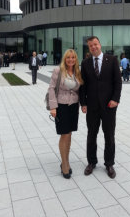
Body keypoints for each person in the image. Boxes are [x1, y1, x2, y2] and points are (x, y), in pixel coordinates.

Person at [80, 36, 122, 179]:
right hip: (91, 107)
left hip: (109, 106)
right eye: (90, 46)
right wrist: (83, 103)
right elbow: (83, 85)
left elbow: (118, 82)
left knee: (109, 135)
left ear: (100, 44)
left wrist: (115, 100)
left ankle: (109, 164)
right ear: (89, 48)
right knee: (91, 135)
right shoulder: (85, 63)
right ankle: (91, 162)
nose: (93, 47)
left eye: (95, 44)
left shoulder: (112, 60)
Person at [48, 49, 83, 179]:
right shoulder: (58, 70)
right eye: (68, 57)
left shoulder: (77, 71)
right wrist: (53, 107)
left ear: (76, 59)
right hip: (61, 106)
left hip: (73, 106)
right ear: (65, 58)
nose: (71, 60)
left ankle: (65, 161)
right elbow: (51, 88)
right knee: (64, 135)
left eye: (73, 57)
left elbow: (80, 90)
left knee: (69, 134)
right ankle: (65, 165)